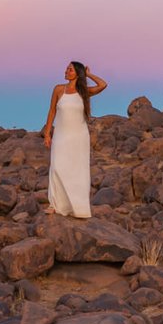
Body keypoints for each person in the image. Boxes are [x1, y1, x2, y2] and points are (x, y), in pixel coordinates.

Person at [42, 61, 106, 218]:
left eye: (70, 69)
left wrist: (88, 74)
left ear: (77, 73)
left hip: (79, 136)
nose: (66, 71)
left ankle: (77, 206)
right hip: (61, 135)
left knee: (77, 170)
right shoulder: (58, 89)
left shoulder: (84, 92)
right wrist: (47, 133)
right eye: (66, 69)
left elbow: (103, 84)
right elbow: (51, 112)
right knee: (57, 166)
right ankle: (55, 204)